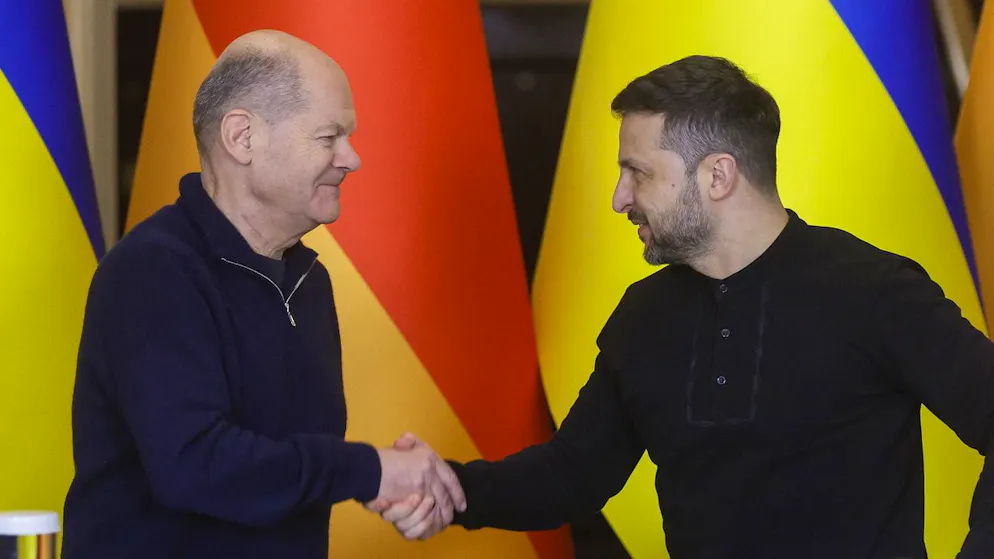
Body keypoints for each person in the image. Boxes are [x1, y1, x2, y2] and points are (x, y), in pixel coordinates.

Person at [369, 55, 994, 558]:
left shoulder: (876, 291)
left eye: (637, 172)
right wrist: (445, 487)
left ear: (717, 176)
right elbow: (571, 477)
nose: (619, 198)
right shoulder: (644, 316)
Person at [62, 30, 464, 559]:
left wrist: (384, 480)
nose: (352, 158)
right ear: (242, 138)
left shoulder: (307, 280)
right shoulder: (152, 271)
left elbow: (285, 465)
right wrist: (370, 471)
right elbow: (194, 467)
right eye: (329, 136)